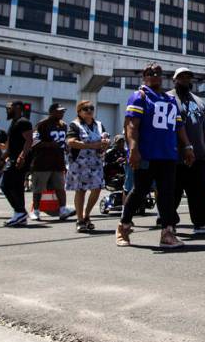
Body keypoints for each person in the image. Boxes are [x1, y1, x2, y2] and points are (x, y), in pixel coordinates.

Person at [117, 63, 195, 248]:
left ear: (163, 77)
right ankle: (123, 227)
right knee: (139, 191)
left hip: (168, 154)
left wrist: (188, 146)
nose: (153, 75)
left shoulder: (169, 100)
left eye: (157, 73)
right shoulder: (139, 96)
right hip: (146, 154)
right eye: (149, 73)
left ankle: (167, 233)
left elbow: (179, 126)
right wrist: (134, 149)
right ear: (144, 77)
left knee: (167, 194)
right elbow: (131, 126)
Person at [169, 68, 205, 234]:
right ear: (174, 80)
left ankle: (202, 223)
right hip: (175, 155)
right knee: (173, 191)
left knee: (199, 191)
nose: (185, 80)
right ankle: (168, 223)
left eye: (187, 77)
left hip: (198, 154)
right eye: (181, 77)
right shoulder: (168, 98)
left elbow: (204, 128)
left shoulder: (198, 101)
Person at [66, 100, 109, 232]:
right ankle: (80, 219)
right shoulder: (75, 125)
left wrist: (105, 144)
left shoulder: (99, 124)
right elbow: (71, 142)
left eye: (91, 108)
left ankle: (87, 214)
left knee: (97, 189)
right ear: (79, 112)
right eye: (85, 109)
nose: (89, 111)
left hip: (96, 162)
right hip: (80, 163)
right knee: (81, 190)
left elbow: (104, 139)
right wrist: (90, 145)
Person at [30, 103, 76, 222]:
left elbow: (64, 141)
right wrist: (50, 144)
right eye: (59, 111)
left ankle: (62, 209)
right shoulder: (42, 124)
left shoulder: (63, 125)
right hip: (42, 162)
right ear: (51, 112)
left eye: (63, 111)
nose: (62, 113)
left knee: (60, 187)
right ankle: (35, 211)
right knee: (38, 188)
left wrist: (66, 146)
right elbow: (34, 141)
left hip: (58, 161)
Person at [0, 101, 34, 227]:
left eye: (9, 108)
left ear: (17, 108)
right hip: (14, 158)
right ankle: (20, 214)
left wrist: (21, 156)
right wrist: (2, 158)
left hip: (20, 160)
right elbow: (10, 147)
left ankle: (20, 212)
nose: (7, 110)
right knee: (17, 187)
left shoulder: (23, 122)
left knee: (5, 185)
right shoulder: (13, 123)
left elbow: (29, 140)